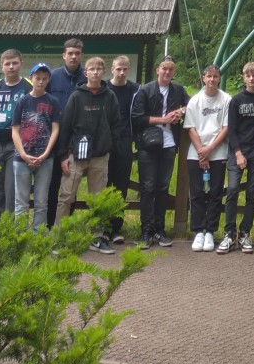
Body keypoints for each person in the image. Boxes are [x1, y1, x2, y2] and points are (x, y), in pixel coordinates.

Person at [55, 57, 122, 253]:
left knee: (98, 199)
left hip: (100, 155)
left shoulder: (110, 96)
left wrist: (108, 145)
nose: (95, 72)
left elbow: (116, 124)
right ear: (85, 73)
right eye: (91, 69)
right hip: (76, 155)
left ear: (104, 72)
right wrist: (63, 155)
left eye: (99, 69)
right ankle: (59, 237)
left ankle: (97, 237)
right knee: (66, 196)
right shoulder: (76, 96)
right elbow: (66, 126)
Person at [131, 56, 189, 249]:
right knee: (148, 187)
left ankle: (160, 229)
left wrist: (180, 112)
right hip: (148, 144)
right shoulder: (145, 90)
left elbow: (191, 104)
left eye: (170, 70)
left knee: (163, 187)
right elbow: (137, 118)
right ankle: (146, 230)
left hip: (169, 144)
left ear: (174, 72)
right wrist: (162, 120)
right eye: (164, 69)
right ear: (158, 70)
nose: (167, 72)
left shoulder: (178, 90)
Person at [220, 61, 254, 253]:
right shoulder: (236, 100)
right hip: (238, 149)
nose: (251, 78)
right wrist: (238, 153)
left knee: (252, 193)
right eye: (248, 75)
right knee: (232, 190)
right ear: (243, 77)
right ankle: (229, 233)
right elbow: (232, 130)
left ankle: (245, 232)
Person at [0, 48, 31, 222]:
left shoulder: (29, 87)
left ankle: (9, 227)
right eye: (7, 64)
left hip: (17, 147)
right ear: (1, 66)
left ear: (21, 64)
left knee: (12, 189)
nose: (11, 67)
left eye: (14, 63)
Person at [185, 64, 230, 252]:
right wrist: (201, 152)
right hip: (196, 153)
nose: (212, 79)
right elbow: (191, 128)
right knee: (196, 192)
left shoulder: (226, 99)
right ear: (203, 78)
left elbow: (226, 128)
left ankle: (210, 231)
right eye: (209, 76)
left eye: (215, 76)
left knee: (215, 193)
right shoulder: (195, 101)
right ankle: (198, 231)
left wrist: (210, 149)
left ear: (219, 78)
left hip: (218, 153)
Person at [11, 62, 59, 231]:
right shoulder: (22, 101)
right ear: (31, 78)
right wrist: (23, 154)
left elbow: (55, 129)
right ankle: (21, 235)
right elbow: (15, 130)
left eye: (44, 78)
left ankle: (38, 235)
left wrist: (46, 153)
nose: (40, 81)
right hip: (21, 158)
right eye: (37, 78)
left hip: (45, 159)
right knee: (21, 201)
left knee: (41, 201)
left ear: (48, 80)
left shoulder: (53, 101)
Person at [46, 38, 86, 227]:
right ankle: (49, 226)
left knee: (71, 185)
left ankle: (66, 227)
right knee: (51, 184)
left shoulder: (87, 77)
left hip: (76, 140)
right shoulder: (52, 77)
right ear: (64, 55)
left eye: (77, 53)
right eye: (70, 53)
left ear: (81, 55)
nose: (73, 56)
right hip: (53, 139)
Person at [105, 55, 138, 244]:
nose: (122, 72)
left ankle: (116, 228)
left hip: (125, 140)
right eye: (118, 69)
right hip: (104, 141)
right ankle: (102, 227)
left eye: (125, 69)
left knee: (121, 186)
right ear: (112, 69)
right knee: (103, 185)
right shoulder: (104, 88)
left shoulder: (135, 90)